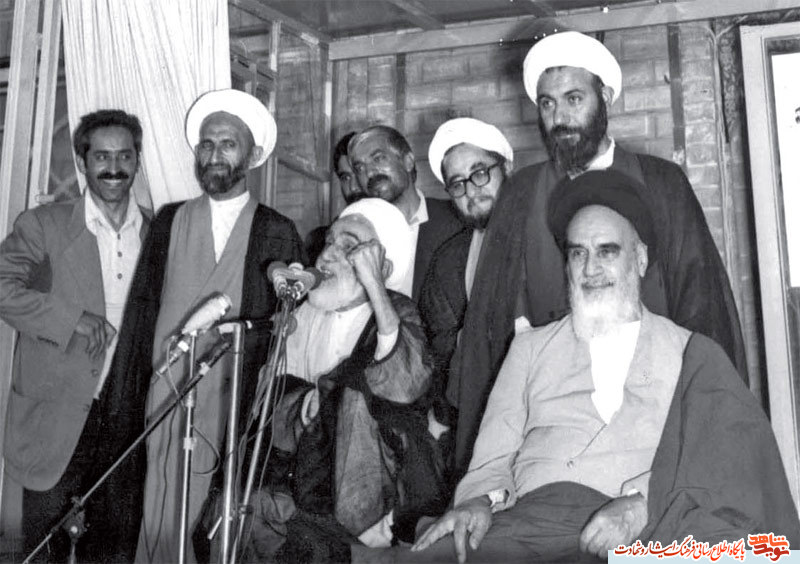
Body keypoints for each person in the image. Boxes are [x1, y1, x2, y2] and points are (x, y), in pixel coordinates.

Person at [400, 170, 800, 563]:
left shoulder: (691, 352)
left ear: (640, 260)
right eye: (578, 253)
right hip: (533, 525)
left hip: (649, 527)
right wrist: (479, 501)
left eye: (607, 251)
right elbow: (492, 458)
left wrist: (642, 504)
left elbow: (723, 464)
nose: (590, 269)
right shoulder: (529, 348)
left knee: (751, 553)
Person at [447, 30, 748, 477]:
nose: (559, 117)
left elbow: (701, 305)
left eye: (574, 99)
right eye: (547, 104)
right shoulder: (522, 194)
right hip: (554, 431)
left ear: (604, 97)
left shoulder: (662, 183)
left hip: (655, 416)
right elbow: (492, 325)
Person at [117, 89, 305, 563]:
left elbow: (287, 325)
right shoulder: (169, 221)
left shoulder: (277, 230)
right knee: (160, 506)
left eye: (228, 144)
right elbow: (142, 314)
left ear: (253, 156)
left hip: (233, 400)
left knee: (212, 521)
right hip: (167, 392)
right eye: (206, 144)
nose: (214, 154)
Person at [241, 198, 449, 562]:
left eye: (348, 247)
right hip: (303, 482)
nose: (326, 256)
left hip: (375, 498)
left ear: (380, 267)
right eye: (328, 243)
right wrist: (304, 401)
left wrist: (375, 287)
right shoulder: (304, 314)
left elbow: (405, 383)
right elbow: (266, 396)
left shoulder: (396, 311)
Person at [0, 109, 149, 562]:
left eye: (124, 156)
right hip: (53, 424)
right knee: (39, 553)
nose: (114, 167)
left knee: (111, 553)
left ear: (137, 160)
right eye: (102, 156)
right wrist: (70, 320)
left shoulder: (157, 232)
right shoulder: (43, 224)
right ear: (82, 162)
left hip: (126, 423)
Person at [418, 118, 513, 424]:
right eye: (457, 183)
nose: (471, 191)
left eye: (480, 173)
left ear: (507, 168)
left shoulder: (548, 233)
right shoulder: (449, 261)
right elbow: (440, 350)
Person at [348, 125, 463, 301]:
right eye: (360, 169)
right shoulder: (357, 233)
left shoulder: (455, 220)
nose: (369, 172)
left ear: (408, 161)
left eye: (378, 158)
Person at [304, 131, 364, 264]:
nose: (353, 187)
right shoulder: (318, 242)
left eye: (359, 173)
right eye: (345, 177)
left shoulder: (399, 232)